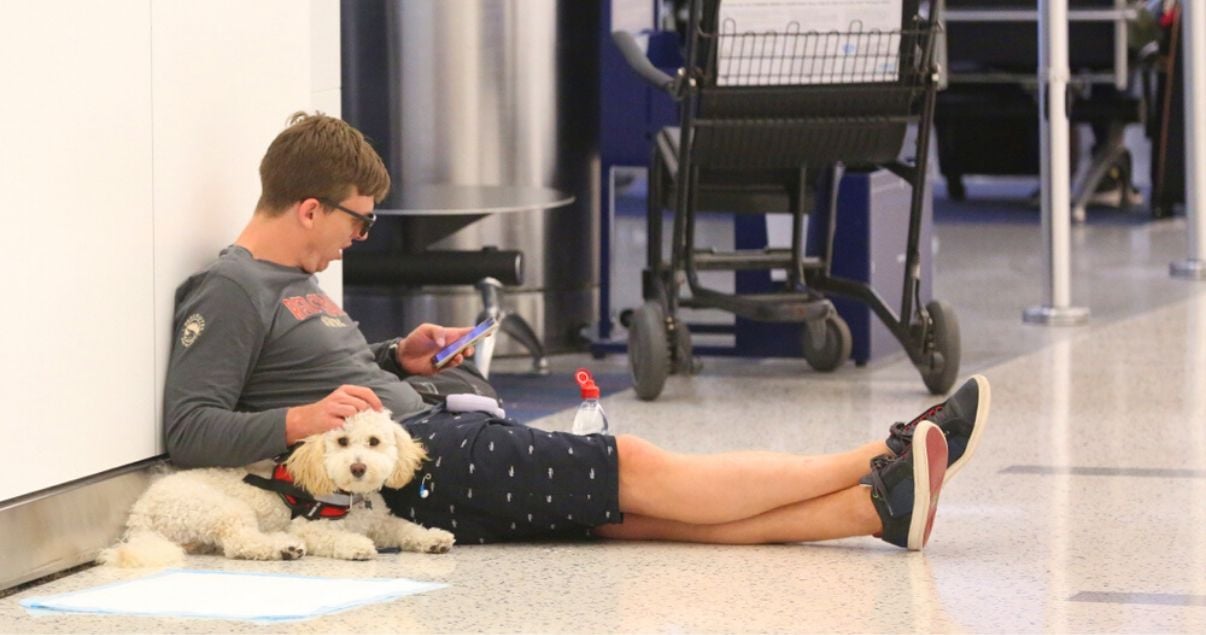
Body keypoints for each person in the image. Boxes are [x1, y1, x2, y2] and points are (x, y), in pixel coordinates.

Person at [164, 112, 989, 551]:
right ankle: (886, 455)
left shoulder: (299, 283)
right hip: (418, 459)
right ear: (309, 206)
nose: (358, 237)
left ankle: (874, 510)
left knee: (635, 518)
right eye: (357, 220)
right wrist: (303, 423)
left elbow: (317, 370)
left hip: (425, 428)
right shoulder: (231, 287)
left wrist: (392, 356)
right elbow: (189, 426)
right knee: (637, 466)